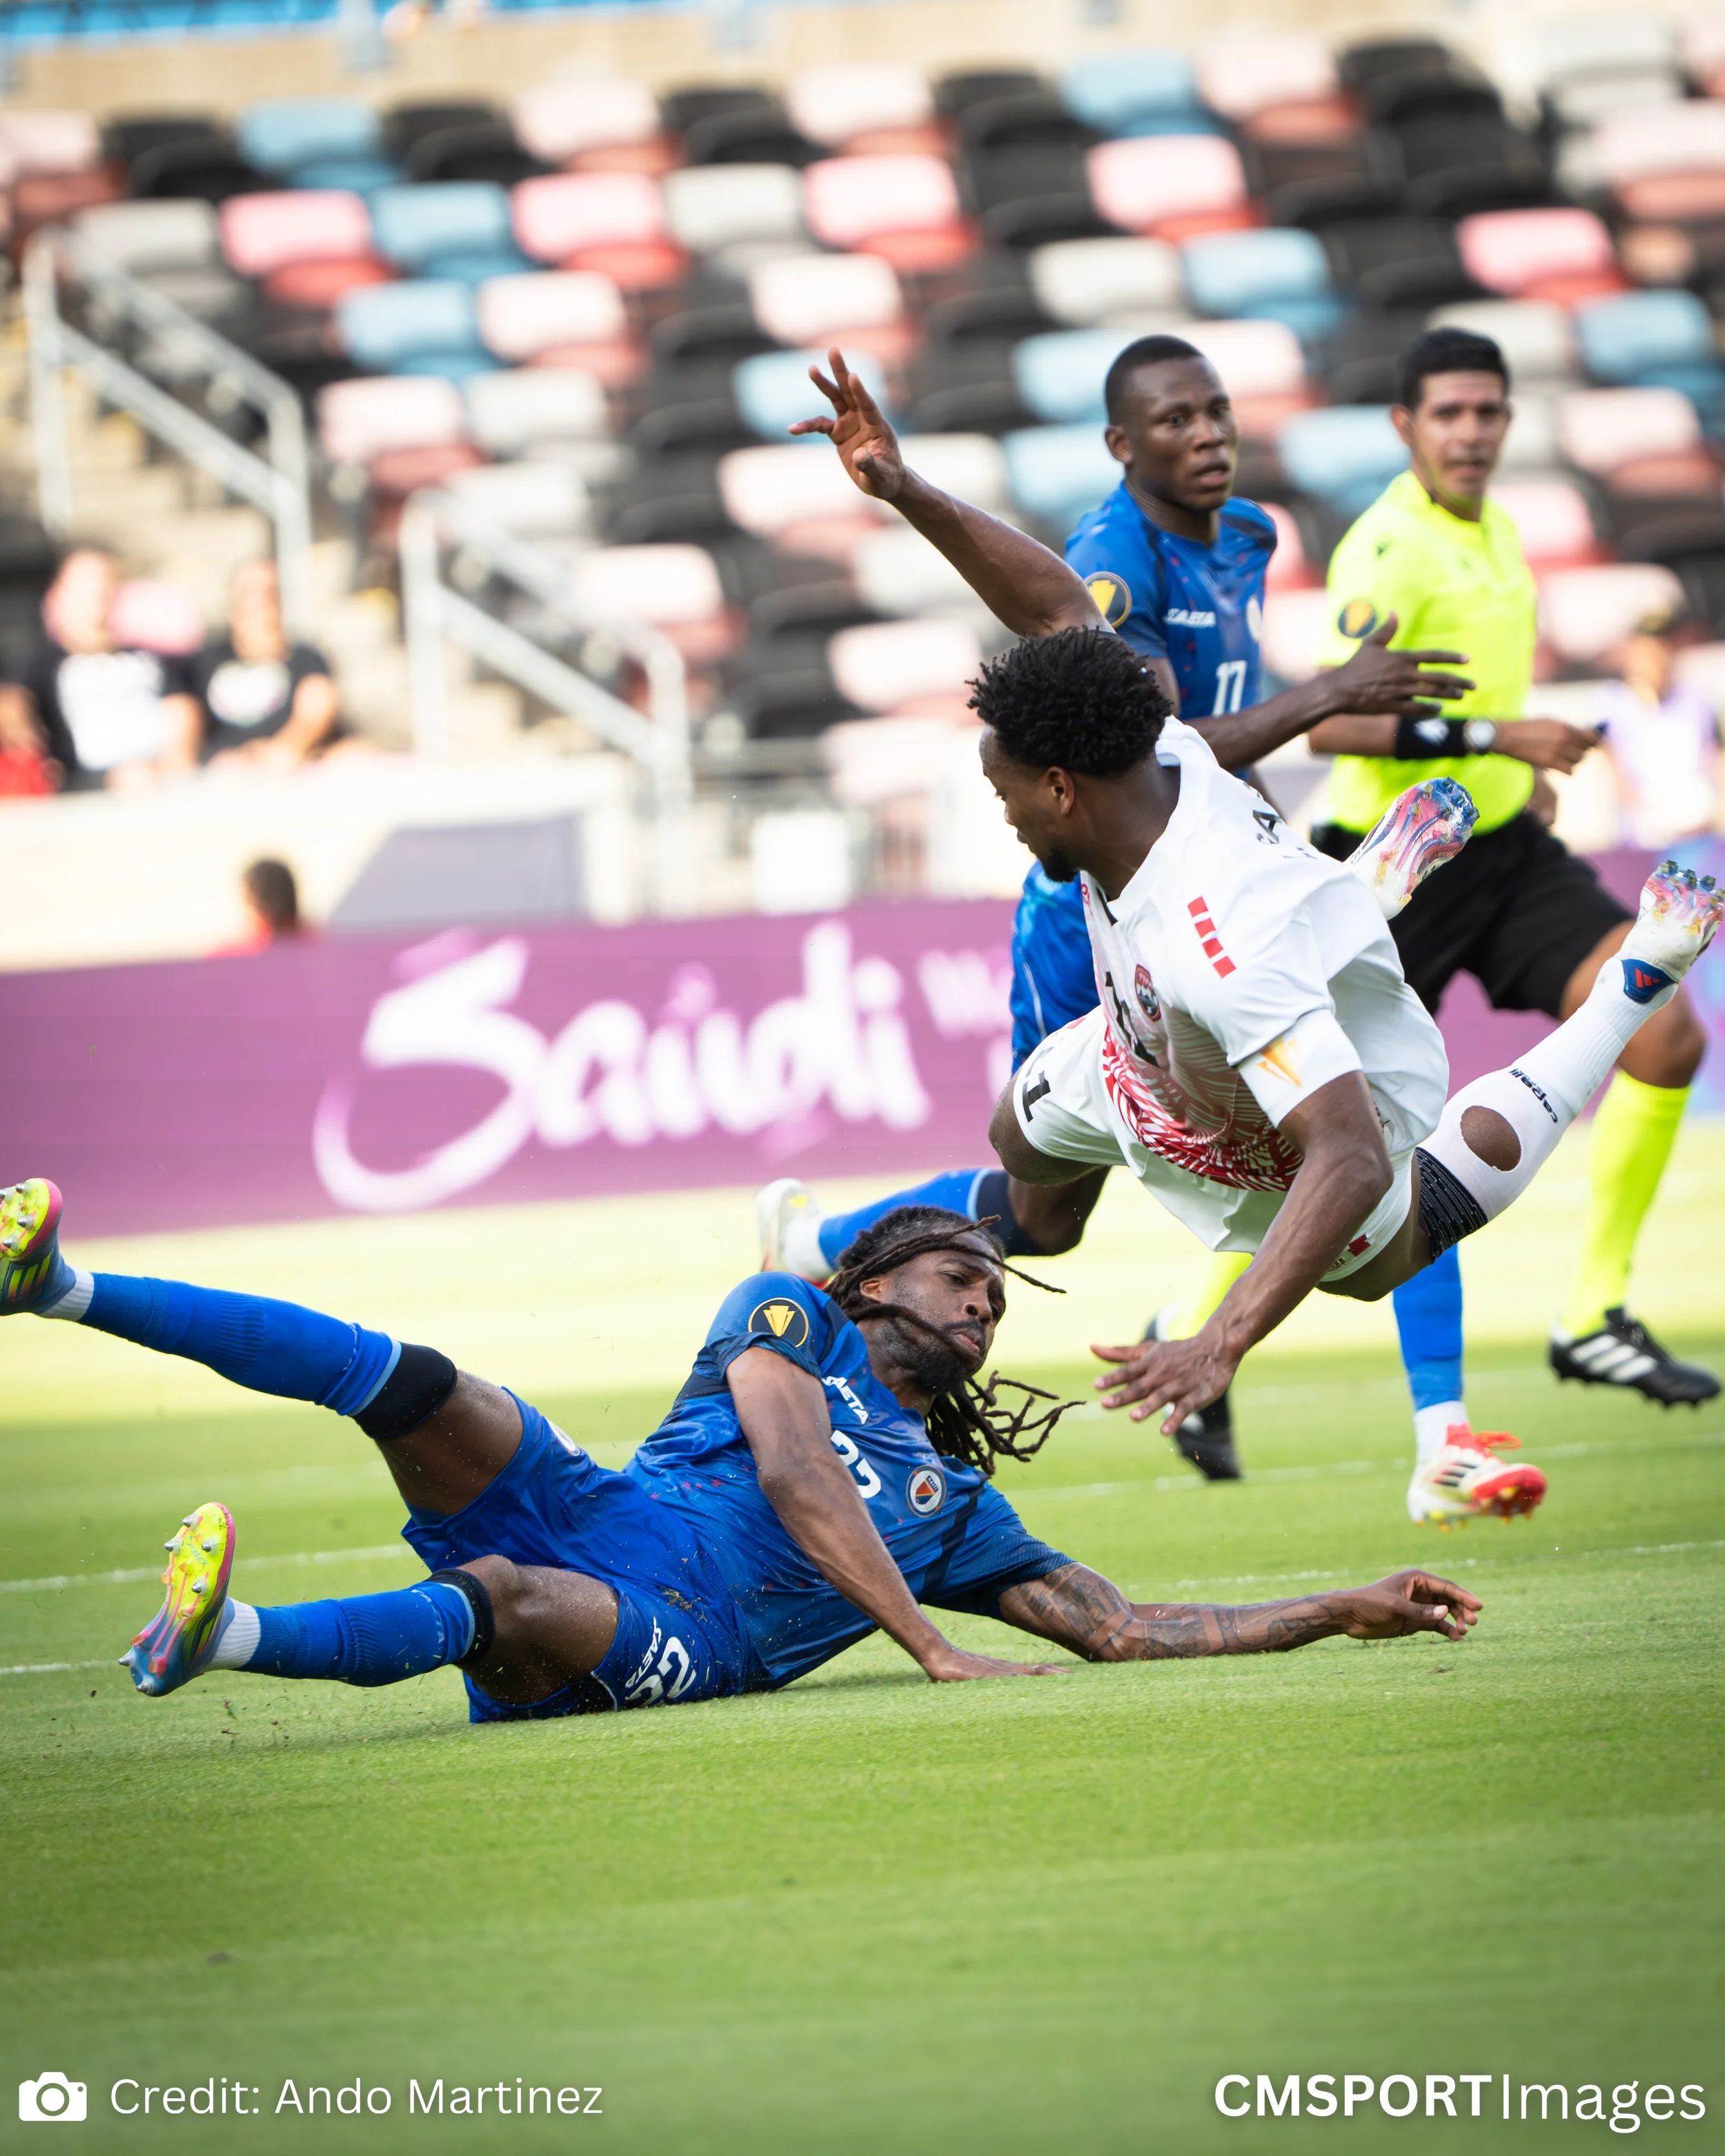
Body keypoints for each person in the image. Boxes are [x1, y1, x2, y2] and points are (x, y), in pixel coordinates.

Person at [769, 351, 1720, 1526]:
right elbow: (1059, 609)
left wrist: (1217, 1345)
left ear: (1063, 790)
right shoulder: (1152, 743)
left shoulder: (1219, 947)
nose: (1003, 814)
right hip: (1137, 1043)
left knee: (1378, 1256)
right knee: (1023, 1162)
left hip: (1222, 1008)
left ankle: (1628, 988)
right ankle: (1356, 892)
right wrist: (902, 488)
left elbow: (1354, 1158)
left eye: (1007, 793)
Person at [757, 334, 1476, 1482]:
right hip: (1110, 906)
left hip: (1210, 894)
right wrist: (1324, 697)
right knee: (1046, 1218)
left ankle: (1438, 1431)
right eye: (1177, 419)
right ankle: (825, 1247)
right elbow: (1088, 666)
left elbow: (1149, 730)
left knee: (1333, 1135)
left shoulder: (1245, 540)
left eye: (1218, 413)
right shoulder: (1113, 561)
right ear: (1122, 445)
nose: (1210, 436)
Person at [0, 1183, 1483, 1712]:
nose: (980, 1299)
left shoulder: (956, 1506)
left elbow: (1123, 1626)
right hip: (611, 1502)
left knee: (518, 1601)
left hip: (681, 1629)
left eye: (992, 1290)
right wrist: (926, 1644)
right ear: (870, 1282)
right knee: (426, 1382)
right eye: (955, 1273)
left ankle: (220, 1637)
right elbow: (789, 1466)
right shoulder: (781, 1311)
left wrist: (1335, 1606)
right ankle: (58, 1284)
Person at [1305, 328, 1717, 1440]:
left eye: (1489, 412)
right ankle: (1188, 1326)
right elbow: (1334, 712)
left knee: (1666, 1033)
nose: (1473, 432)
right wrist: (1501, 732)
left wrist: (1512, 774)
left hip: (1499, 843)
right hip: (1392, 856)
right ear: (1406, 425)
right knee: (1362, 1134)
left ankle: (1592, 1310)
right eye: (1450, 413)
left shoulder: (1496, 535)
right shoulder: (1385, 550)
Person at [8, 546, 201, 791]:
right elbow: (15, 709)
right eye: (86, 584)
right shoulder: (40, 664)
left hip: (159, 782)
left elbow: (183, 713)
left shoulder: (150, 658)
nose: (96, 592)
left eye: (104, 581)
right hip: (86, 791)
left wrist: (169, 767)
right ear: (61, 592)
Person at [189, 558, 348, 771]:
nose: (260, 602)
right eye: (248, 593)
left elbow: (318, 706)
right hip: (228, 769)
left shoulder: (307, 657)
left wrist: (287, 749)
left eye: (269, 592)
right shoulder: (205, 661)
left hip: (295, 761)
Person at [1597, 609, 1720, 853]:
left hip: (1698, 830)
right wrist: (1652, 818)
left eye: (1659, 653)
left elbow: (1714, 762)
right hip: (1642, 838)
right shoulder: (1612, 705)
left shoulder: (1698, 701)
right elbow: (1614, 774)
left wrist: (1706, 810)